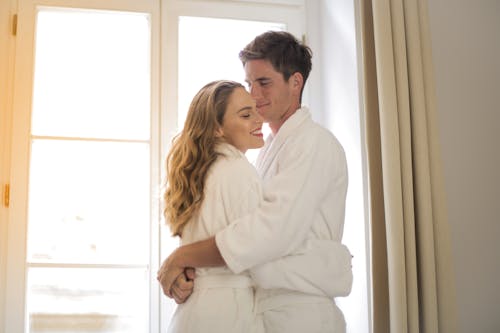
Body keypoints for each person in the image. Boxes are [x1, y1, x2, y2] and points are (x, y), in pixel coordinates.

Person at [158, 31, 353, 333]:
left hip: (301, 314)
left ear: (296, 82)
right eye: (249, 84)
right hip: (261, 309)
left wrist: (183, 257)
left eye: (264, 83)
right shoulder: (258, 154)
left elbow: (271, 233)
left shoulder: (313, 143)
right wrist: (329, 265)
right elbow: (246, 234)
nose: (254, 94)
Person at [163, 80, 265, 332]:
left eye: (256, 109)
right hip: (229, 313)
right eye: (246, 114)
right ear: (217, 128)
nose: (258, 119)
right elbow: (256, 248)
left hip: (190, 313)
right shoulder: (239, 170)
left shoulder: (196, 175)